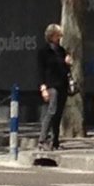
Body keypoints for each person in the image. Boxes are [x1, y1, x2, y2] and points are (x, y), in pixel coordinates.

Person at [36, 23, 72, 151]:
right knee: (52, 110)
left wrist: (68, 63)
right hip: (51, 85)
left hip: (62, 84)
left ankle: (55, 141)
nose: (60, 38)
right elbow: (41, 70)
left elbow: (64, 69)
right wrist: (43, 87)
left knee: (59, 113)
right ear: (51, 36)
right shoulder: (44, 52)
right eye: (58, 35)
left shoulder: (61, 50)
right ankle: (42, 140)